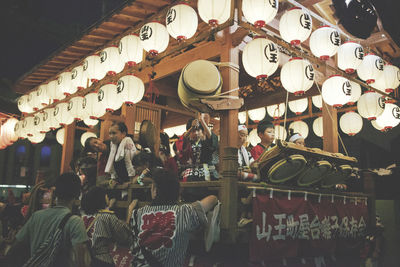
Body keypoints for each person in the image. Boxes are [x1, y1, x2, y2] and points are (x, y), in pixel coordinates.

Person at [130, 167, 218, 267]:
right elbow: (212, 199)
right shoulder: (184, 212)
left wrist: (130, 209)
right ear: (178, 192)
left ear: (154, 189)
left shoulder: (136, 214)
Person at [8, 172, 91, 267]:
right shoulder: (75, 222)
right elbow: (80, 259)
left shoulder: (36, 216)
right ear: (77, 194)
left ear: (55, 192)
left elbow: (16, 247)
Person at [81, 187, 134, 267]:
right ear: (101, 198)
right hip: (101, 261)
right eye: (106, 195)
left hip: (83, 260)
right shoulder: (107, 216)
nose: (108, 197)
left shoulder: (83, 217)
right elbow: (125, 237)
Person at [176, 114, 219, 182]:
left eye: (198, 130)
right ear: (189, 132)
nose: (196, 133)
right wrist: (192, 127)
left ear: (202, 131)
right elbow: (182, 143)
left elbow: (211, 139)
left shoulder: (205, 141)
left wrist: (202, 122)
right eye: (193, 131)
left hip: (206, 170)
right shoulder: (187, 143)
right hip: (190, 172)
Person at [105, 122, 137, 186]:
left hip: (132, 179)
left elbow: (129, 163)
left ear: (123, 134)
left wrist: (130, 181)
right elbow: (112, 163)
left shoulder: (127, 141)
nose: (111, 136)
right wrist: (113, 179)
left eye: (114, 133)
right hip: (121, 180)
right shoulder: (113, 145)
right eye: (110, 133)